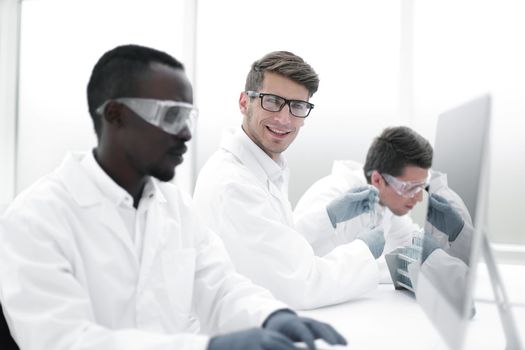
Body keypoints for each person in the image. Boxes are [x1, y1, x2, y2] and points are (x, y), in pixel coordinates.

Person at [0, 45, 347, 350]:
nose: (184, 133)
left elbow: (220, 285)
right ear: (115, 115)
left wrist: (271, 316)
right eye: (169, 116)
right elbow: (64, 342)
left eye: (187, 117)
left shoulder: (174, 206)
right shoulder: (35, 218)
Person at [193, 51, 384, 310]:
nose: (284, 119)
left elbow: (276, 245)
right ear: (244, 102)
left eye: (297, 106)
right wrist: (364, 250)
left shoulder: (261, 168)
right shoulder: (233, 184)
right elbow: (299, 286)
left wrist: (329, 217)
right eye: (272, 101)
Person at [294, 126, 474, 282]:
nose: (419, 198)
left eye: (421, 187)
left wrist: (457, 232)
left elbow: (417, 250)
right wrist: (364, 252)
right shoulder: (330, 193)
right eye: (410, 187)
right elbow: (298, 267)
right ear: (378, 179)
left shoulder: (385, 205)